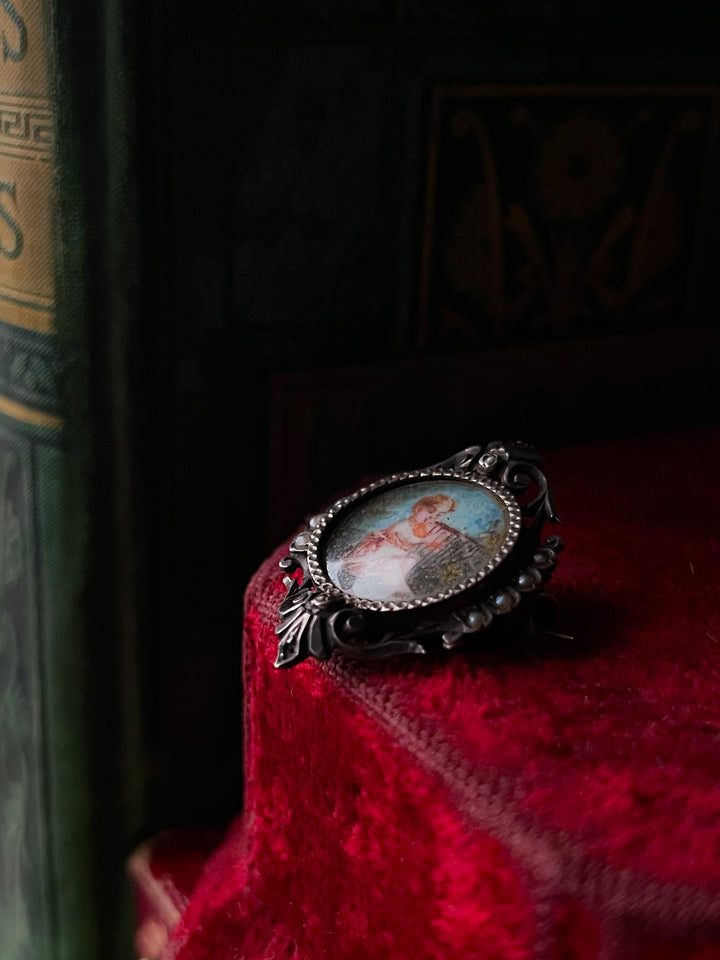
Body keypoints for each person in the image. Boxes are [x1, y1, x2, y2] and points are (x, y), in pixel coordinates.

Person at [337, 493, 491, 601]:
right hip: (383, 548)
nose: (432, 517)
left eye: (437, 515)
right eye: (430, 511)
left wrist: (431, 542)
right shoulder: (404, 524)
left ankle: (399, 591)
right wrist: (425, 540)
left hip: (397, 550)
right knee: (394, 564)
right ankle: (398, 590)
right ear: (419, 508)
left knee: (409, 560)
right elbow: (406, 538)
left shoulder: (421, 526)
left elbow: (426, 544)